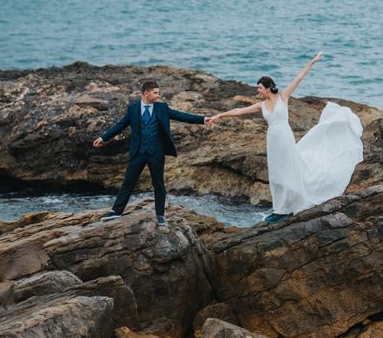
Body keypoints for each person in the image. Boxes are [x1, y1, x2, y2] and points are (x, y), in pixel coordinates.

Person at [209, 53, 363, 223]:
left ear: (268, 88)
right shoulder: (261, 105)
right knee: (276, 175)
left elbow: (299, 77)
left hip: (285, 138)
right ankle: (280, 209)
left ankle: (290, 206)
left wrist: (311, 62)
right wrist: (219, 116)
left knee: (289, 171)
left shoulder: (283, 97)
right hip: (273, 140)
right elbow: (239, 111)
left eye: (259, 87)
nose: (257, 91)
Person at [93, 81, 211, 226]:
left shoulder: (162, 108)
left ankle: (160, 214)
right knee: (128, 182)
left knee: (158, 184)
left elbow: (181, 116)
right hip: (138, 152)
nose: (158, 95)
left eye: (158, 92)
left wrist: (203, 119)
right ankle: (116, 212)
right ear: (146, 93)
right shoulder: (133, 108)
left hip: (156, 152)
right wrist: (104, 138)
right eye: (155, 92)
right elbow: (120, 125)